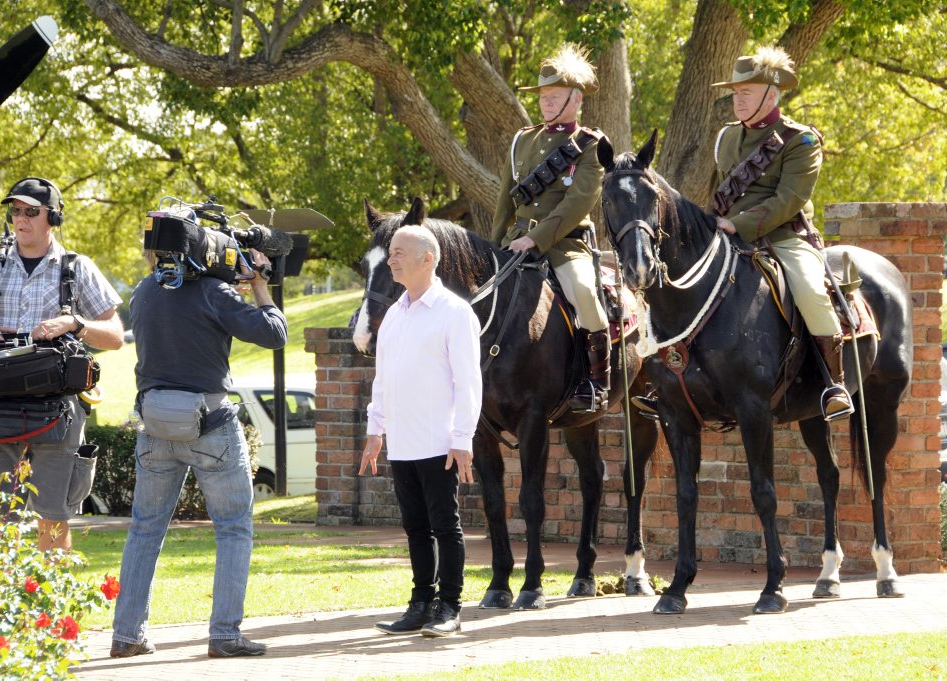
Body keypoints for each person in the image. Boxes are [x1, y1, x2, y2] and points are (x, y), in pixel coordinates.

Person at [633, 46, 854, 422]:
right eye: (735, 93)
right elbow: (719, 192)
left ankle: (834, 382)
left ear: (771, 94)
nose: (738, 99)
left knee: (811, 291)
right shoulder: (726, 139)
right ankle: (667, 380)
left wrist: (740, 224)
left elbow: (790, 198)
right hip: (728, 239)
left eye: (746, 93)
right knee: (675, 287)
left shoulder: (800, 141)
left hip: (783, 237)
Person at [109, 244, 287, 659]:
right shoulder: (212, 292)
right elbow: (273, 333)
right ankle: (224, 634)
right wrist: (259, 284)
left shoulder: (144, 291)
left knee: (144, 530)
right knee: (233, 528)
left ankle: (126, 635)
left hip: (154, 424)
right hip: (210, 425)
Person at [0, 176, 123, 551]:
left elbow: (114, 335)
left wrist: (74, 323)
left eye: (31, 211)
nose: (21, 219)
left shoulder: (77, 267)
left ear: (53, 219)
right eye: (15, 211)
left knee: (53, 519)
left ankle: (48, 608)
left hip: (57, 410)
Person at [361, 225, 482, 638]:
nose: (391, 259)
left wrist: (462, 438)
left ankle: (449, 606)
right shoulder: (394, 314)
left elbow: (469, 382)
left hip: (439, 441)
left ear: (427, 258)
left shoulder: (454, 312)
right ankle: (420, 603)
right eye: (391, 252)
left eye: (399, 252)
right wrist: (375, 430)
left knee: (445, 526)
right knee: (415, 527)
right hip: (402, 442)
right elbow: (384, 378)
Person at [491, 43, 611, 414]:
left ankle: (597, 379)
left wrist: (536, 238)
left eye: (553, 97)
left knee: (585, 294)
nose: (544, 103)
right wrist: (493, 245)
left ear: (574, 100)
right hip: (516, 242)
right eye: (542, 96)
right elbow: (505, 200)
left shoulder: (591, 146)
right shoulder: (522, 140)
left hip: (564, 244)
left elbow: (577, 205)